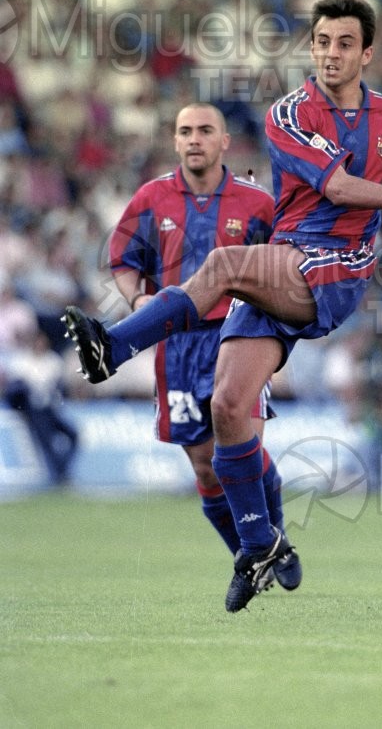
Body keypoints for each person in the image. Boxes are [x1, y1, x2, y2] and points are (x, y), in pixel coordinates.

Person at [63, 0, 382, 612]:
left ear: (366, 53)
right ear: (310, 48)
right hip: (288, 259)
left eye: (343, 43)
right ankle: (260, 545)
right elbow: (335, 183)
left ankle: (115, 346)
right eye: (321, 42)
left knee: (226, 266)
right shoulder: (289, 114)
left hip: (336, 267)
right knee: (227, 406)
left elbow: (373, 163)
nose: (330, 54)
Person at [107, 102, 301, 594]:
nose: (195, 139)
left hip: (237, 334)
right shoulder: (152, 197)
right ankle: (250, 553)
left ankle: (272, 543)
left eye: (205, 130)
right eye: (185, 131)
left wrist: (274, 336)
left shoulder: (256, 202)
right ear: (175, 141)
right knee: (203, 464)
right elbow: (123, 257)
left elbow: (281, 268)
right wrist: (138, 296)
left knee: (242, 444)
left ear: (224, 142)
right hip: (175, 344)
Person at [3, 328, 79, 486]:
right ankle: (59, 476)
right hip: (32, 409)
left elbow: (59, 388)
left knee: (72, 435)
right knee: (46, 441)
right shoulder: (21, 361)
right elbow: (15, 390)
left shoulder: (53, 361)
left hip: (50, 408)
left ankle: (62, 470)